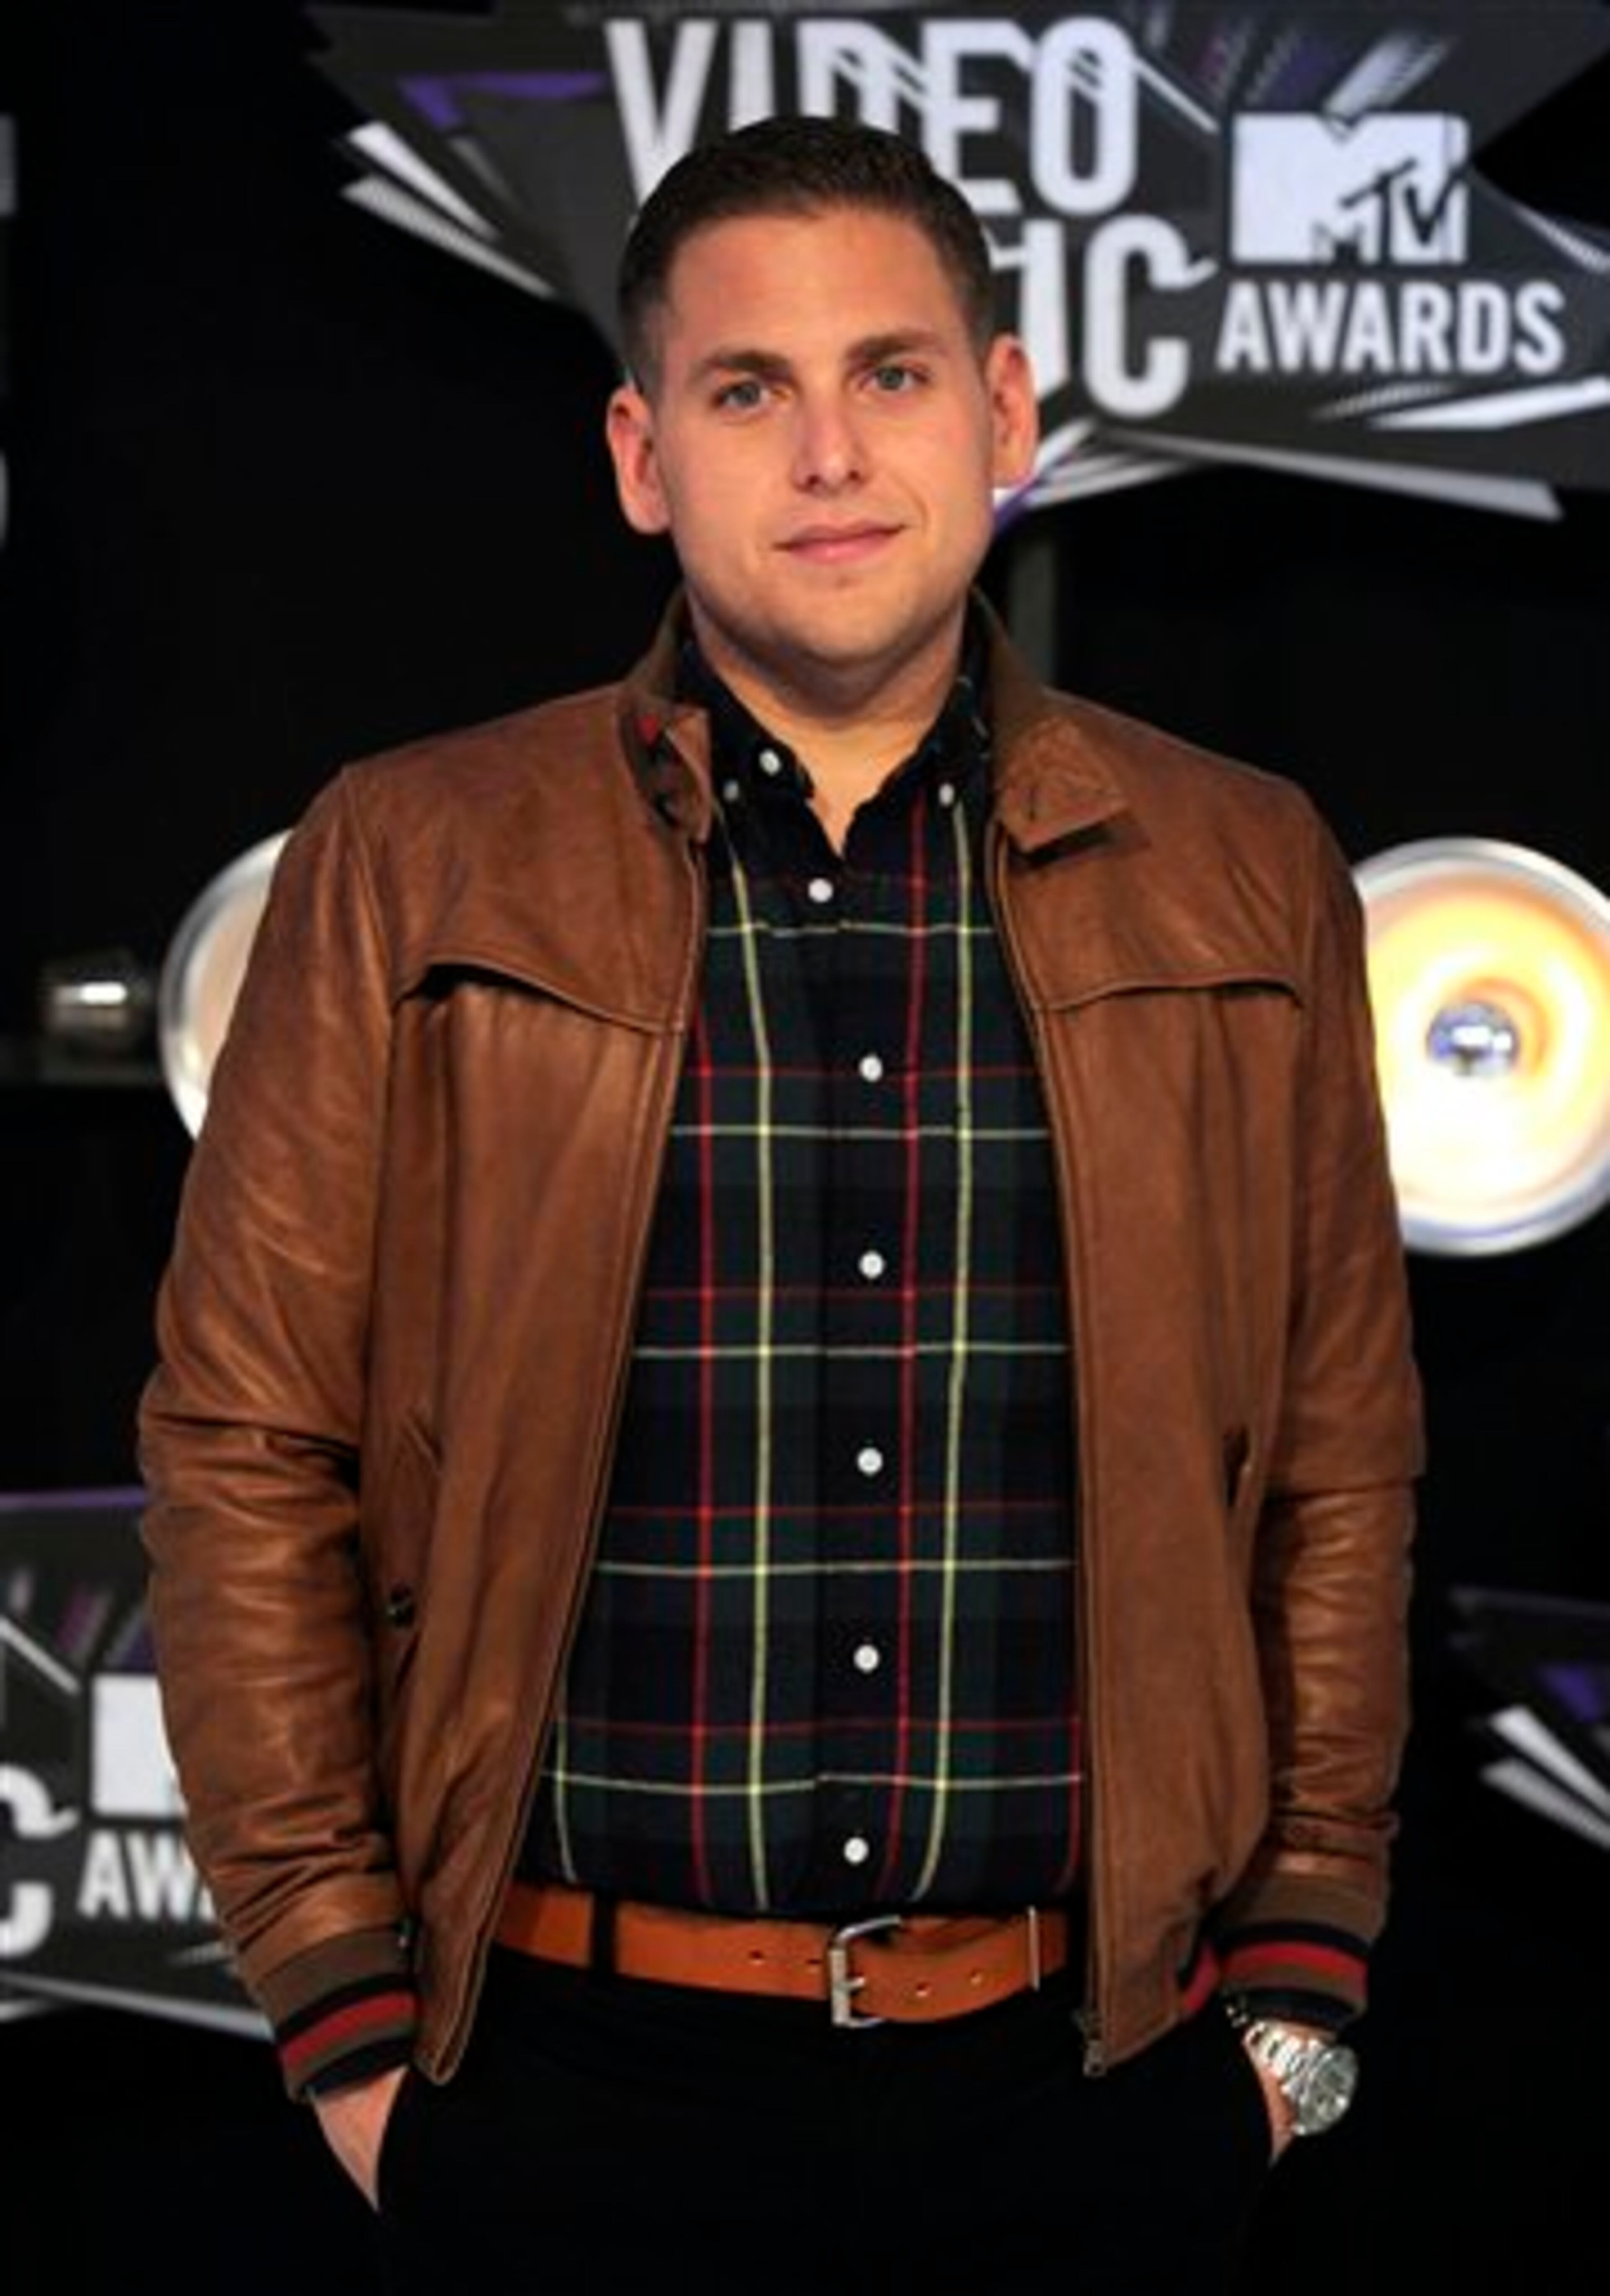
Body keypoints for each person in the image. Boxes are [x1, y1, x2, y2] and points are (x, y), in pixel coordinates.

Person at [138, 114, 1423, 2296]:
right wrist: (349, 2020)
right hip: (557, 2091)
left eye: (892, 374)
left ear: (1002, 413)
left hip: (1097, 2086)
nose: (829, 449)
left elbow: (1334, 1449)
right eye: (751, 390)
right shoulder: (411, 854)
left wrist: (1292, 1998)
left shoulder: (1244, 864)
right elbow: (245, 1437)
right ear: (645, 455)